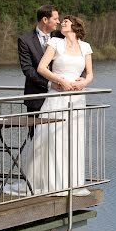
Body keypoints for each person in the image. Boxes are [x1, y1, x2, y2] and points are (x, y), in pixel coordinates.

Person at [25, 15, 93, 197]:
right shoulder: (55, 42)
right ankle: (50, 182)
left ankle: (72, 182)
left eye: (66, 22)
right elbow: (41, 68)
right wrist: (59, 80)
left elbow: (90, 74)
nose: (62, 23)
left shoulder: (85, 47)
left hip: (77, 97)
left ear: (76, 26)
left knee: (73, 138)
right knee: (53, 137)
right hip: (57, 95)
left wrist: (84, 83)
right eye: (61, 21)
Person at [18, 4, 61, 113]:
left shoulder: (60, 36)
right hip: (36, 97)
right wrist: (49, 84)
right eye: (55, 19)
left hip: (60, 96)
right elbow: (27, 69)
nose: (58, 22)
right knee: (34, 130)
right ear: (45, 20)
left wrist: (82, 77)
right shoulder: (25, 40)